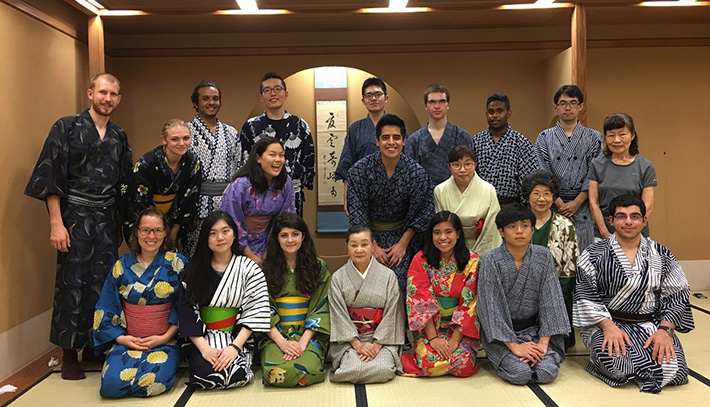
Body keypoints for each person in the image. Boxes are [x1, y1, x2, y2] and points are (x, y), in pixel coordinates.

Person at [24, 73, 133, 380]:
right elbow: (51, 177)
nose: (107, 98)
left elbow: (124, 184)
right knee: (72, 283)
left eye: (113, 94)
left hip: (106, 218)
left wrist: (126, 225)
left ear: (118, 99)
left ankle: (95, 349)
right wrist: (56, 223)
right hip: (74, 215)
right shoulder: (66, 127)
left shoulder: (118, 135)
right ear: (90, 93)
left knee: (104, 284)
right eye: (102, 92)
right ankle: (69, 353)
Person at [574, 194, 694, 393]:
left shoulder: (661, 254)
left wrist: (665, 331)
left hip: (651, 324)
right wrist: (608, 327)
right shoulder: (593, 254)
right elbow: (585, 294)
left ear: (644, 220)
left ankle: (644, 361)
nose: (628, 221)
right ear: (611, 220)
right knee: (618, 367)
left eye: (635, 216)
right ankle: (604, 358)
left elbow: (677, 294)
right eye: (621, 216)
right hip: (608, 324)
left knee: (678, 371)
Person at [93, 207, 185, 398]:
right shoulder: (121, 265)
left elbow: (186, 306)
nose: (151, 236)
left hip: (165, 340)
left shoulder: (178, 263)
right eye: (145, 230)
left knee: (155, 382)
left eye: (157, 230)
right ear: (137, 232)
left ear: (165, 232)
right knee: (110, 386)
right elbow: (106, 305)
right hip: (129, 341)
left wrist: (165, 337)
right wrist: (121, 339)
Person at [477, 205, 569, 385]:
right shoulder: (492, 260)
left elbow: (552, 299)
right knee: (520, 374)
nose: (519, 231)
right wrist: (515, 346)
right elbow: (490, 307)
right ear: (501, 232)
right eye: (512, 227)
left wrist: (543, 343)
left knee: (546, 373)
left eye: (525, 226)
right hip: (502, 336)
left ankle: (539, 353)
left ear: (532, 230)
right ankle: (512, 356)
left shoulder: (543, 257)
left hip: (536, 332)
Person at [178, 211, 270, 389]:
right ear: (205, 238)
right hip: (204, 338)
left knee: (236, 375)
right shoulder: (193, 270)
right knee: (205, 374)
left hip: (237, 338)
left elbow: (255, 311)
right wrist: (205, 349)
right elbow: (187, 313)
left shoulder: (249, 268)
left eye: (225, 231)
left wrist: (234, 348)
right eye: (212, 233)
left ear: (234, 234)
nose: (220, 237)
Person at [347, 113, 435, 297]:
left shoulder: (416, 172)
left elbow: (424, 211)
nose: (391, 142)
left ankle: (400, 326)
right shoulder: (360, 170)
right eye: (385, 137)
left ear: (404, 141)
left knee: (402, 278)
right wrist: (372, 246)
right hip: (368, 237)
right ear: (377, 141)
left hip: (404, 237)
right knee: (363, 282)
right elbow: (357, 211)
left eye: (396, 137)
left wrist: (402, 244)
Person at [401, 211, 480, 377]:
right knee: (428, 362)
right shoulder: (420, 260)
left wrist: (454, 341)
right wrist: (434, 339)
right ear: (431, 235)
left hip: (459, 329)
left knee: (464, 365)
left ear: (458, 234)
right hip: (430, 327)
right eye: (437, 232)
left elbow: (470, 303)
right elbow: (420, 301)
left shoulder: (472, 261)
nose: (443, 237)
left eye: (448, 232)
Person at [259, 214, 331, 387]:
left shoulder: (318, 266)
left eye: (295, 234)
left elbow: (321, 306)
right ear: (277, 238)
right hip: (276, 336)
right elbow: (262, 307)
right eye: (284, 235)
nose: (290, 240)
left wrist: (301, 344)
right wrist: (283, 343)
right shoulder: (265, 268)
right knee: (274, 372)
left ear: (303, 236)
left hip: (307, 336)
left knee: (309, 369)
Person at [329, 225, 405, 383]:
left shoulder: (388, 276)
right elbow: (338, 315)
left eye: (364, 244)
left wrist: (376, 345)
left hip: (381, 341)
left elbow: (393, 313)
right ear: (347, 248)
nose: (359, 250)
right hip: (349, 341)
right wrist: (357, 345)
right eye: (354, 245)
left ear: (373, 246)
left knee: (383, 370)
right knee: (352, 370)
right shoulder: (338, 278)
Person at [535, 85, 602, 251]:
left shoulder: (594, 137)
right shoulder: (544, 137)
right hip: (552, 203)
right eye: (563, 103)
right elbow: (542, 171)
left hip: (583, 204)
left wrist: (577, 201)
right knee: (554, 254)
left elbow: (594, 172)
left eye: (573, 103)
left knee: (584, 257)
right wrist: (559, 203)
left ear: (581, 106)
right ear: (555, 107)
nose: (568, 108)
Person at [240, 72, 315, 216]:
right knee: (262, 236)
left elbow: (308, 160)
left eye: (277, 89)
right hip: (259, 193)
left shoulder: (300, 125)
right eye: (267, 90)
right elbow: (244, 160)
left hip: (292, 192)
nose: (273, 93)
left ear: (286, 94)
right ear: (261, 97)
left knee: (291, 235)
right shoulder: (250, 126)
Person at [522, 170, 579, 349]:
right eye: (536, 193)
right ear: (528, 196)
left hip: (556, 294)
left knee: (555, 347)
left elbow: (569, 270)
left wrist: (553, 298)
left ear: (554, 197)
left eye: (547, 194)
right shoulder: (518, 224)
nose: (542, 199)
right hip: (522, 293)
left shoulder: (565, 225)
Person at [185, 81, 243, 257]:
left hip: (227, 203)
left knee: (225, 253)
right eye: (205, 99)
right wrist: (187, 212)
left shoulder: (231, 132)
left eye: (215, 99)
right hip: (196, 203)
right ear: (196, 103)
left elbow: (239, 167)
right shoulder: (186, 131)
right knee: (197, 254)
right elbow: (181, 173)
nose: (211, 102)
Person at [124, 119, 202, 246]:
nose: (182, 143)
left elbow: (190, 197)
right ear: (164, 140)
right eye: (175, 139)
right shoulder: (147, 163)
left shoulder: (192, 162)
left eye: (186, 138)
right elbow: (138, 200)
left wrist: (174, 230)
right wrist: (153, 230)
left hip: (174, 217)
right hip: (146, 218)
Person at [221, 136, 296, 265]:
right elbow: (232, 219)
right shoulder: (241, 184)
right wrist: (249, 254)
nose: (278, 160)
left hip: (271, 241)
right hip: (239, 244)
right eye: (272, 155)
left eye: (281, 155)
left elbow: (286, 217)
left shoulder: (285, 182)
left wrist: (270, 249)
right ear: (258, 158)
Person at [589, 113, 656, 239]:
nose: (616, 140)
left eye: (622, 134)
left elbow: (648, 206)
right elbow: (594, 203)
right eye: (611, 135)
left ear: (632, 135)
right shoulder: (597, 165)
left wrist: (631, 231)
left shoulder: (645, 166)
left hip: (637, 235)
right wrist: (605, 233)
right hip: (604, 235)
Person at [335, 77, 391, 214]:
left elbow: (405, 162)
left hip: (392, 191)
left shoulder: (396, 125)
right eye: (369, 95)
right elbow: (347, 164)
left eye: (378, 94)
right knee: (361, 234)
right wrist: (347, 199)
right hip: (361, 192)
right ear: (363, 101)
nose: (374, 99)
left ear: (386, 98)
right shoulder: (355, 129)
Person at [434, 145, 501, 258]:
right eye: (456, 165)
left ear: (475, 165)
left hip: (480, 243)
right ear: (449, 167)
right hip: (451, 247)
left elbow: (491, 228)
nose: (462, 170)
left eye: (468, 164)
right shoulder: (440, 190)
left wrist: (477, 255)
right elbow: (441, 225)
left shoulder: (488, 190)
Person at [472, 94, 538, 205]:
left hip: (512, 204)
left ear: (508, 113)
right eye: (491, 112)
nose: (495, 115)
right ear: (486, 114)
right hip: (481, 204)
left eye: (499, 111)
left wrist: (526, 207)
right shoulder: (476, 141)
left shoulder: (521, 142)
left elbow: (529, 179)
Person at [404, 83, 473, 189]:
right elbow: (409, 176)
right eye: (432, 102)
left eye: (441, 101)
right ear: (425, 105)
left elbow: (470, 172)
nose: (437, 106)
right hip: (424, 197)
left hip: (456, 196)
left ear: (448, 104)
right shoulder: (414, 140)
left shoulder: (463, 136)